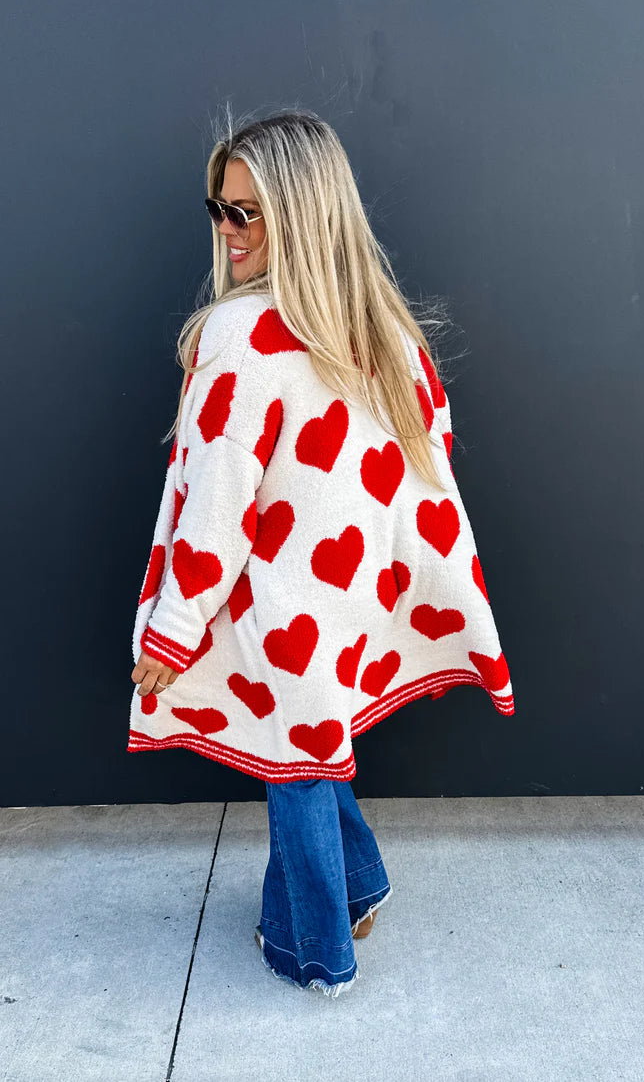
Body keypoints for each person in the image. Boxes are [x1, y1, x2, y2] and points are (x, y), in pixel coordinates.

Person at [128, 107, 515, 998]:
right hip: (348, 607)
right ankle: (363, 884)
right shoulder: (386, 334)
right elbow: (425, 482)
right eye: (220, 209)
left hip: (277, 608)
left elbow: (216, 506)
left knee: (294, 768)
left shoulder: (242, 339)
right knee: (314, 746)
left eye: (247, 213)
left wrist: (171, 631)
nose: (226, 231)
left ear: (303, 215)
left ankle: (312, 951)